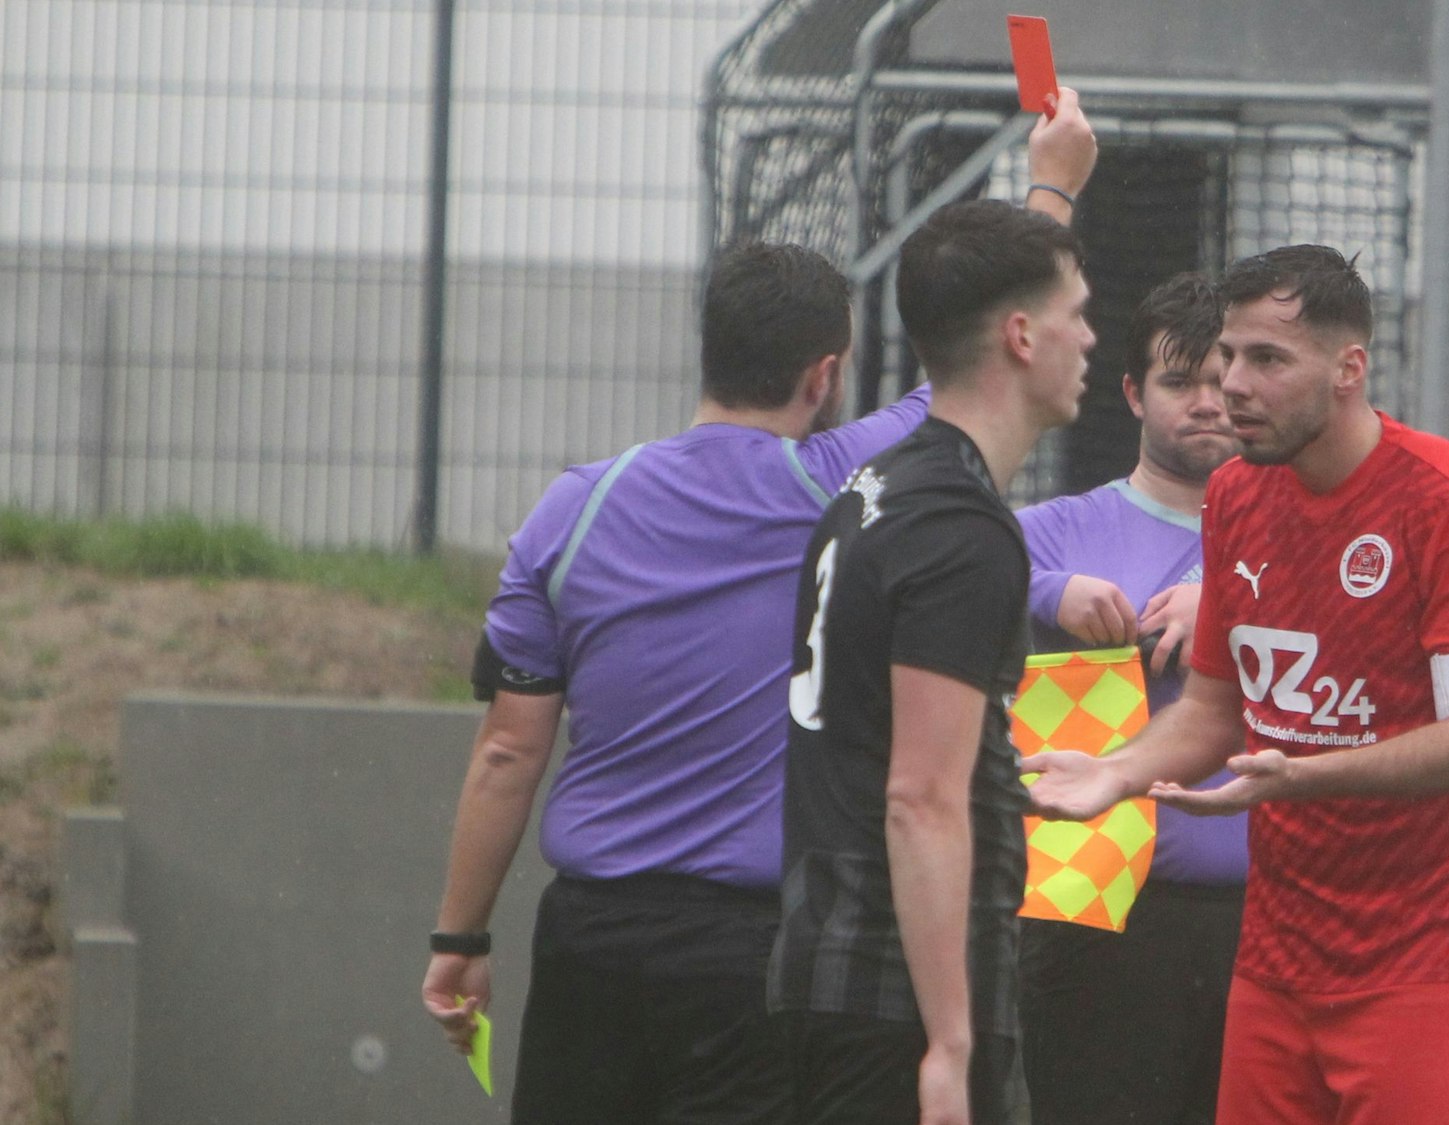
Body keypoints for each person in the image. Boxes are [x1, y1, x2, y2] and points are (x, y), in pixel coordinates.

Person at [419, 94, 1096, 1124]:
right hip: (755, 950)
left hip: (588, 936)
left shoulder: (574, 506)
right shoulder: (844, 487)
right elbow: (969, 380)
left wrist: (459, 940)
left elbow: (508, 752)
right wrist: (1051, 183)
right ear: (824, 376)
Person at [1026, 244, 1449, 1125]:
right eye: (1225, 358)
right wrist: (1119, 773)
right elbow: (1213, 711)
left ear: (1348, 368)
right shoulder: (1238, 498)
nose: (1231, 388)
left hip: (1424, 959)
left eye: (1266, 360)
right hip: (1277, 955)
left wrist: (1301, 772)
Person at [768, 197, 1095, 1125]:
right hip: (895, 997)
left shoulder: (875, 488)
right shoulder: (956, 524)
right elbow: (920, 795)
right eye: (1079, 313)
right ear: (1023, 335)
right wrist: (950, 1042)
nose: (1091, 337)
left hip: (834, 965)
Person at [1012, 272, 1247, 1125]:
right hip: (1098, 910)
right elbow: (946, 561)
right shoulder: (1058, 529)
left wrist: (1226, 605)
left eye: (1224, 379)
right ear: (1132, 394)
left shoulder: (1293, 540)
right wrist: (1052, 592)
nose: (1208, 403)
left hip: (1261, 913)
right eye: (1179, 381)